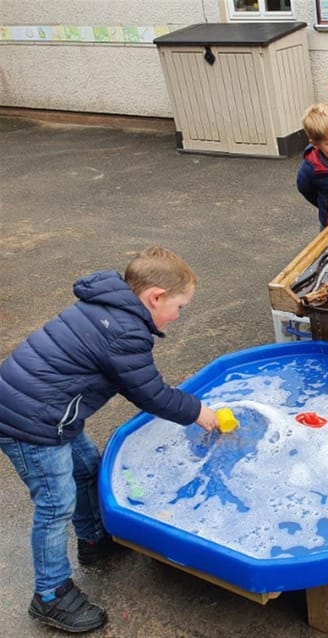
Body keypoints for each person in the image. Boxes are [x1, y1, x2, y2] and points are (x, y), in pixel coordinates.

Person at [0, 247, 221, 633]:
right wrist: (200, 413)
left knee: (86, 467)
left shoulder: (106, 308)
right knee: (55, 504)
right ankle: (50, 595)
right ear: (155, 297)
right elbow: (150, 393)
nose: (178, 316)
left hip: (45, 408)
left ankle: (93, 540)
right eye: (180, 307)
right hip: (31, 423)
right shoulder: (124, 332)